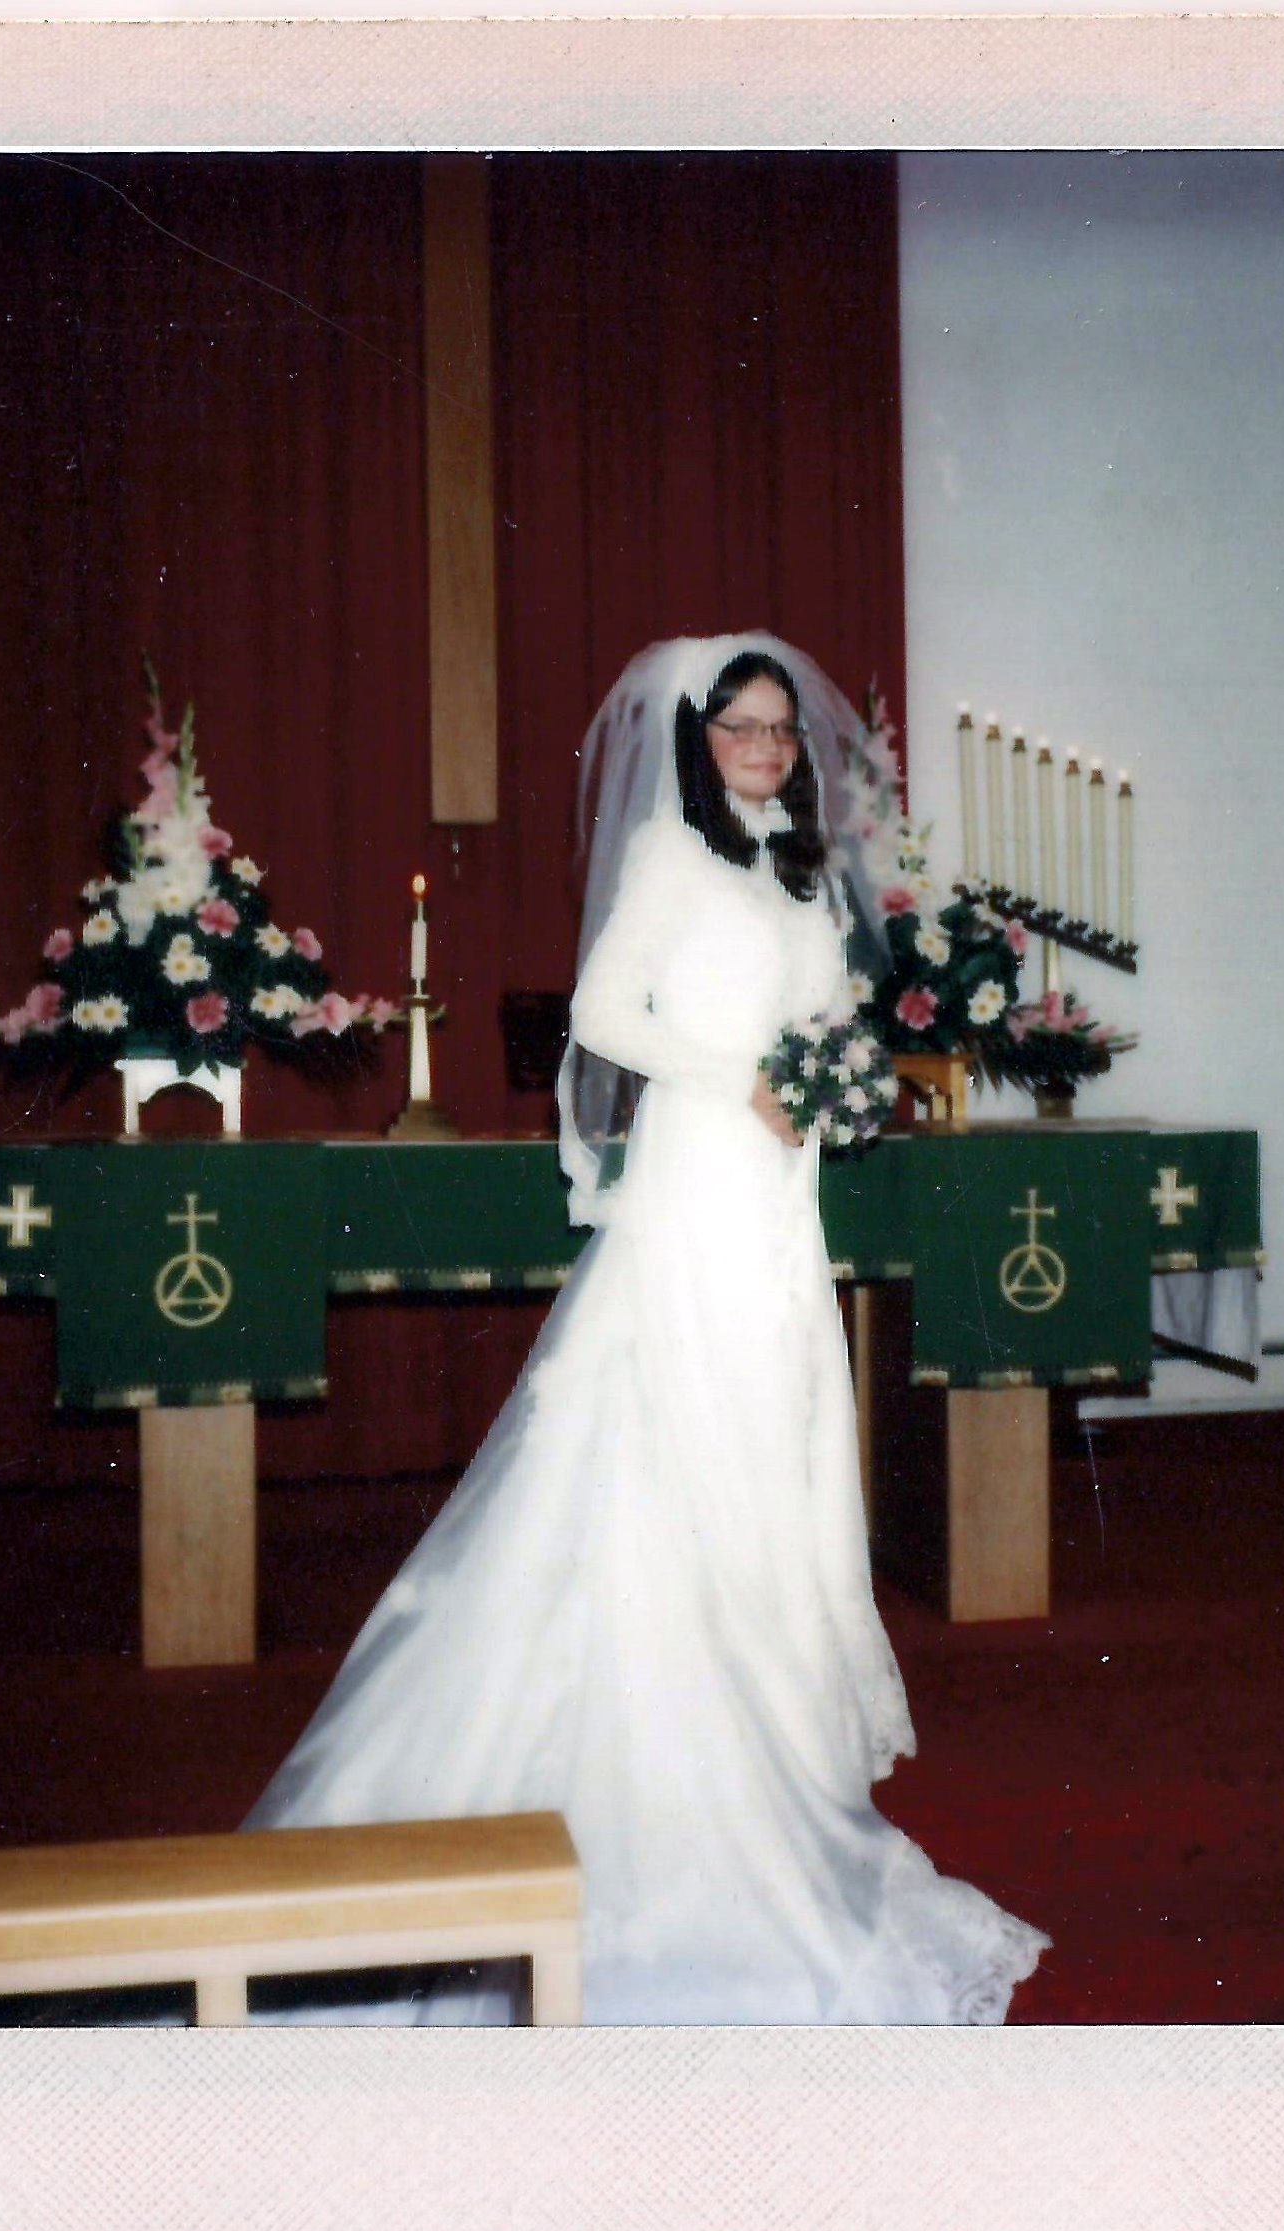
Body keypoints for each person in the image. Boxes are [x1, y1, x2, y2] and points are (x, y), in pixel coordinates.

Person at [244, 633, 1048, 2025]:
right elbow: (609, 1012)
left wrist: (837, 1065)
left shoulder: (800, 866)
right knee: (676, 1439)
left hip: (777, 1192)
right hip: (695, 1176)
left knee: (776, 1427)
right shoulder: (673, 857)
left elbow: (828, 1008)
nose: (763, 748)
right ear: (698, 739)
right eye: (739, 727)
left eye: (780, 730)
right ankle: (681, 1756)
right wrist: (745, 1077)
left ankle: (779, 1743)